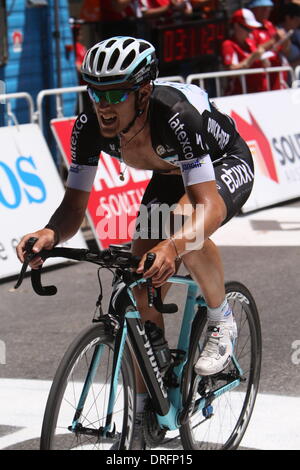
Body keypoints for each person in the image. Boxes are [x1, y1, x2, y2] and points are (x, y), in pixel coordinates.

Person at [16, 36, 254, 449]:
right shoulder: (89, 128)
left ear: (142, 92)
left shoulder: (177, 116)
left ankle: (221, 320)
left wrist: (174, 246)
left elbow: (206, 205)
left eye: (113, 93)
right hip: (169, 174)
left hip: (222, 163)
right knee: (138, 277)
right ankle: (148, 405)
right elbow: (74, 207)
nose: (102, 104)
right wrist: (50, 233)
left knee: (184, 225)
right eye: (94, 91)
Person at [221, 8, 270, 94]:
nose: (250, 33)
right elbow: (231, 72)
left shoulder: (250, 42)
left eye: (252, 29)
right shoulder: (228, 44)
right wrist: (252, 58)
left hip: (258, 93)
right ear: (236, 26)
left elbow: (267, 65)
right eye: (247, 29)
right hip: (239, 96)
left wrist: (264, 60)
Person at [247, 0, 291, 89]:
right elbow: (254, 51)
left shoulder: (269, 25)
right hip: (260, 77)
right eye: (263, 9)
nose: (267, 11)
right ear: (253, 10)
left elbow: (286, 51)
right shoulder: (248, 28)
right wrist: (273, 40)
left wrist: (285, 40)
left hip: (277, 75)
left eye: (268, 8)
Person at [277, 2, 300, 67]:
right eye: (297, 19)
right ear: (288, 18)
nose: (299, 22)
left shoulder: (296, 32)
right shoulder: (277, 32)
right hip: (286, 73)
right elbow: (286, 52)